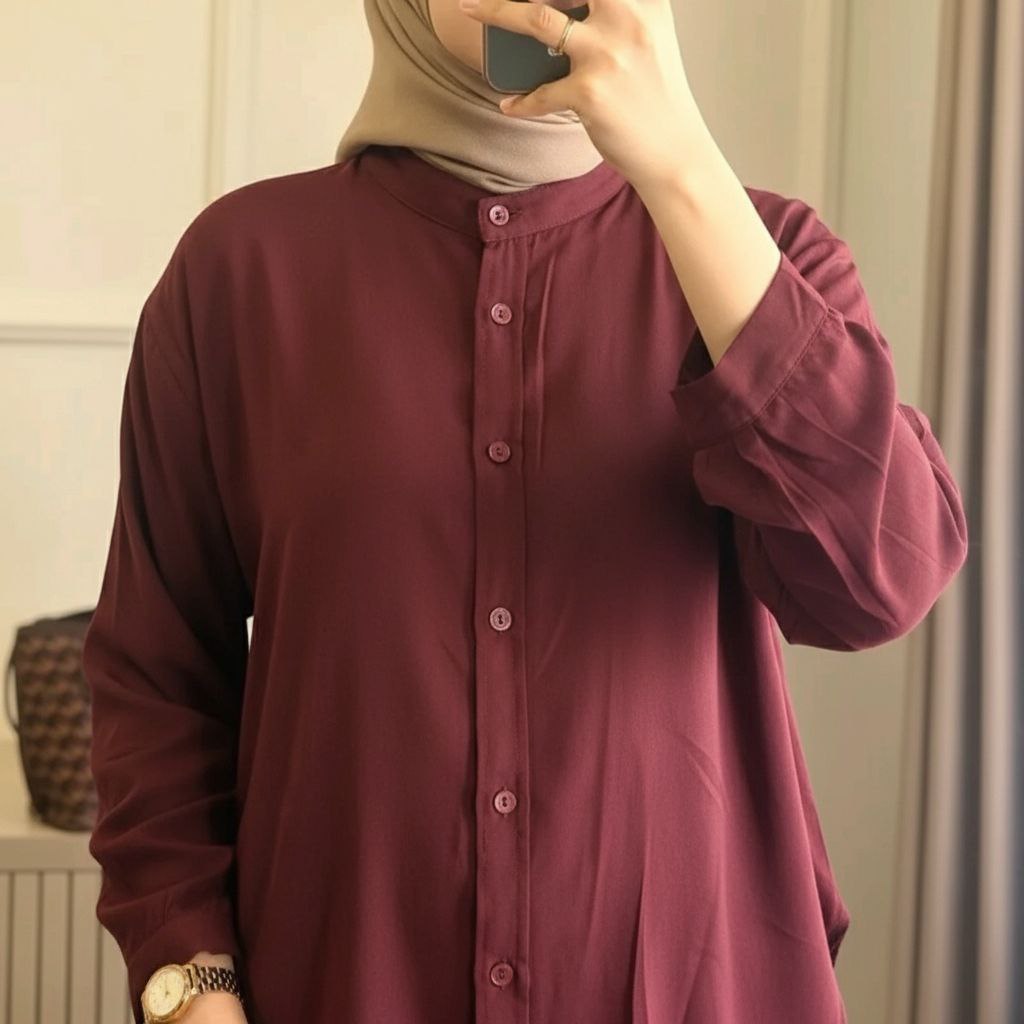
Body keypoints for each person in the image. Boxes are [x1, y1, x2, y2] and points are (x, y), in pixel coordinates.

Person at [82, 0, 969, 1022]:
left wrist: (681, 165)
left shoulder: (768, 254)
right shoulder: (239, 273)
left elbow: (878, 581)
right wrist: (192, 988)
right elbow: (158, 674)